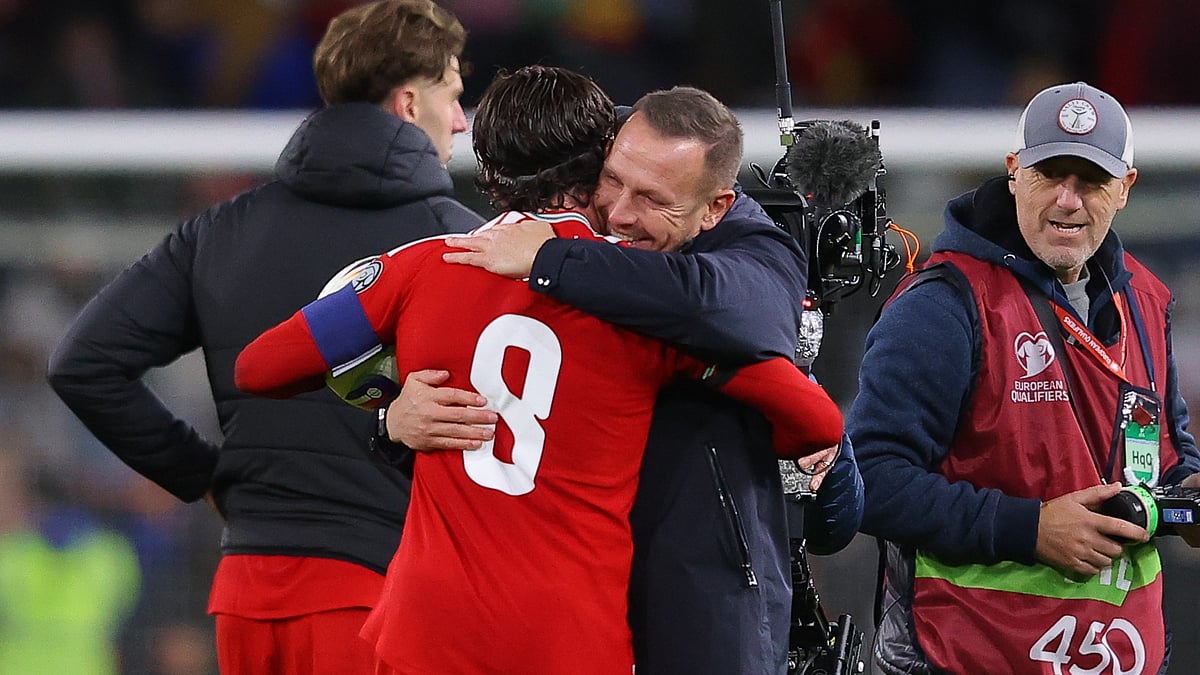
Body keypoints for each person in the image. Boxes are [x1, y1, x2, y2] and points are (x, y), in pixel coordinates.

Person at [233, 64, 845, 674]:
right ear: (601, 156)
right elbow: (815, 419)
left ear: (490, 176)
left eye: (651, 197)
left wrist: (388, 404)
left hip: (428, 626)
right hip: (568, 633)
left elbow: (259, 368)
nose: (628, 212)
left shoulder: (423, 267)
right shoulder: (648, 309)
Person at [45, 1, 483, 673]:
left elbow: (83, 362)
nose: (460, 118)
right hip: (387, 591)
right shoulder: (462, 245)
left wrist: (206, 476)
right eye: (452, 95)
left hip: (248, 595)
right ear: (406, 102)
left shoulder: (221, 229)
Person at [398, 85, 865, 674]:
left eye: (651, 198)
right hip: (559, 605)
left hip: (698, 609)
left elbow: (730, 310)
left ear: (714, 206)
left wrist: (555, 263)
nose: (618, 213)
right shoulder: (534, 227)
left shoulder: (749, 247)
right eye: (612, 181)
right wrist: (391, 417)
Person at [849, 81, 1200, 674]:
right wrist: (1029, 528)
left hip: (1122, 657)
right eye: (1048, 175)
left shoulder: (1146, 302)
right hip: (964, 657)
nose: (1067, 199)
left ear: (1126, 189)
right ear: (1014, 172)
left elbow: (1167, 449)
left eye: (1089, 180)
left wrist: (1187, 494)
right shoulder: (943, 305)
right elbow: (869, 481)